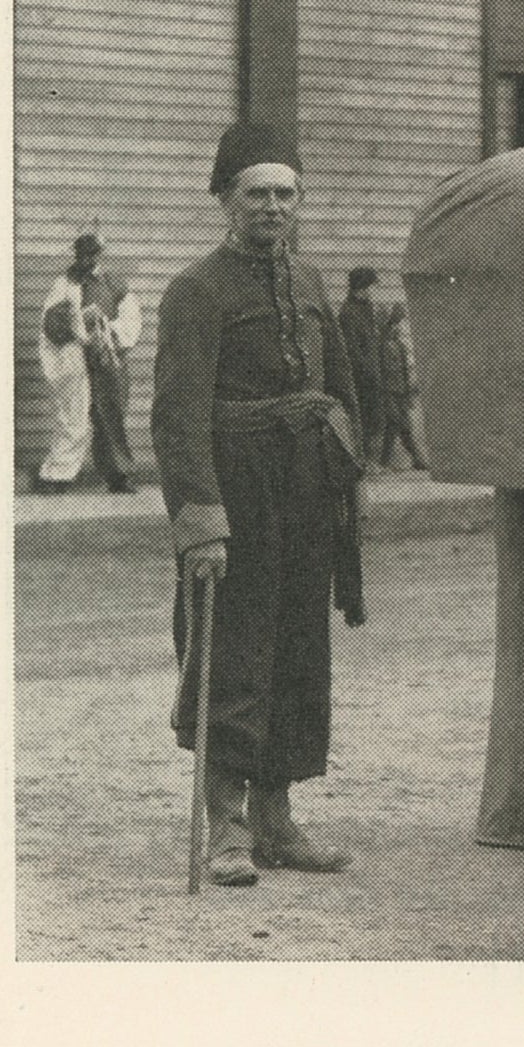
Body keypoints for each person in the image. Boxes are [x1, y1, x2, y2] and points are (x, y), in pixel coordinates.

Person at [151, 121, 366, 888]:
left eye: (285, 193)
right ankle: (228, 829)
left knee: (298, 653)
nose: (272, 207)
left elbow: (341, 386)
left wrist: (345, 464)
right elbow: (176, 418)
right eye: (256, 193)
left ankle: (277, 821)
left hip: (305, 495)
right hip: (237, 496)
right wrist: (200, 522)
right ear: (224, 200)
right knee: (232, 654)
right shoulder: (196, 290)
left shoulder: (309, 285)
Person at [36, 232, 142, 493]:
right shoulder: (63, 284)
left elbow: (131, 319)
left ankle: (118, 476)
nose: (87, 259)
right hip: (75, 362)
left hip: (106, 360)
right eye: (82, 254)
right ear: (77, 254)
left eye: (92, 254)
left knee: (111, 416)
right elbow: (50, 323)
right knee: (73, 417)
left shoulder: (113, 284)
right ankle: (58, 476)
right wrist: (75, 328)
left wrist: (107, 331)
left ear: (98, 255)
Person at [338, 266, 385, 460]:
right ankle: (360, 462)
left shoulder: (366, 309)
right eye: (368, 287)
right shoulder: (348, 313)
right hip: (360, 378)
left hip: (373, 376)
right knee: (362, 420)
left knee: (375, 420)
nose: (370, 291)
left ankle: (370, 461)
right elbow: (353, 351)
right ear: (359, 287)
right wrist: (368, 374)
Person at [379, 302, 431, 471]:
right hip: (387, 390)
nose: (397, 328)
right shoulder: (381, 344)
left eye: (398, 325)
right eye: (395, 324)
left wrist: (409, 390)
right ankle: (386, 462)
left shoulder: (400, 345)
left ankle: (415, 459)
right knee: (395, 422)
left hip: (400, 390)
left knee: (404, 425)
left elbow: (405, 370)